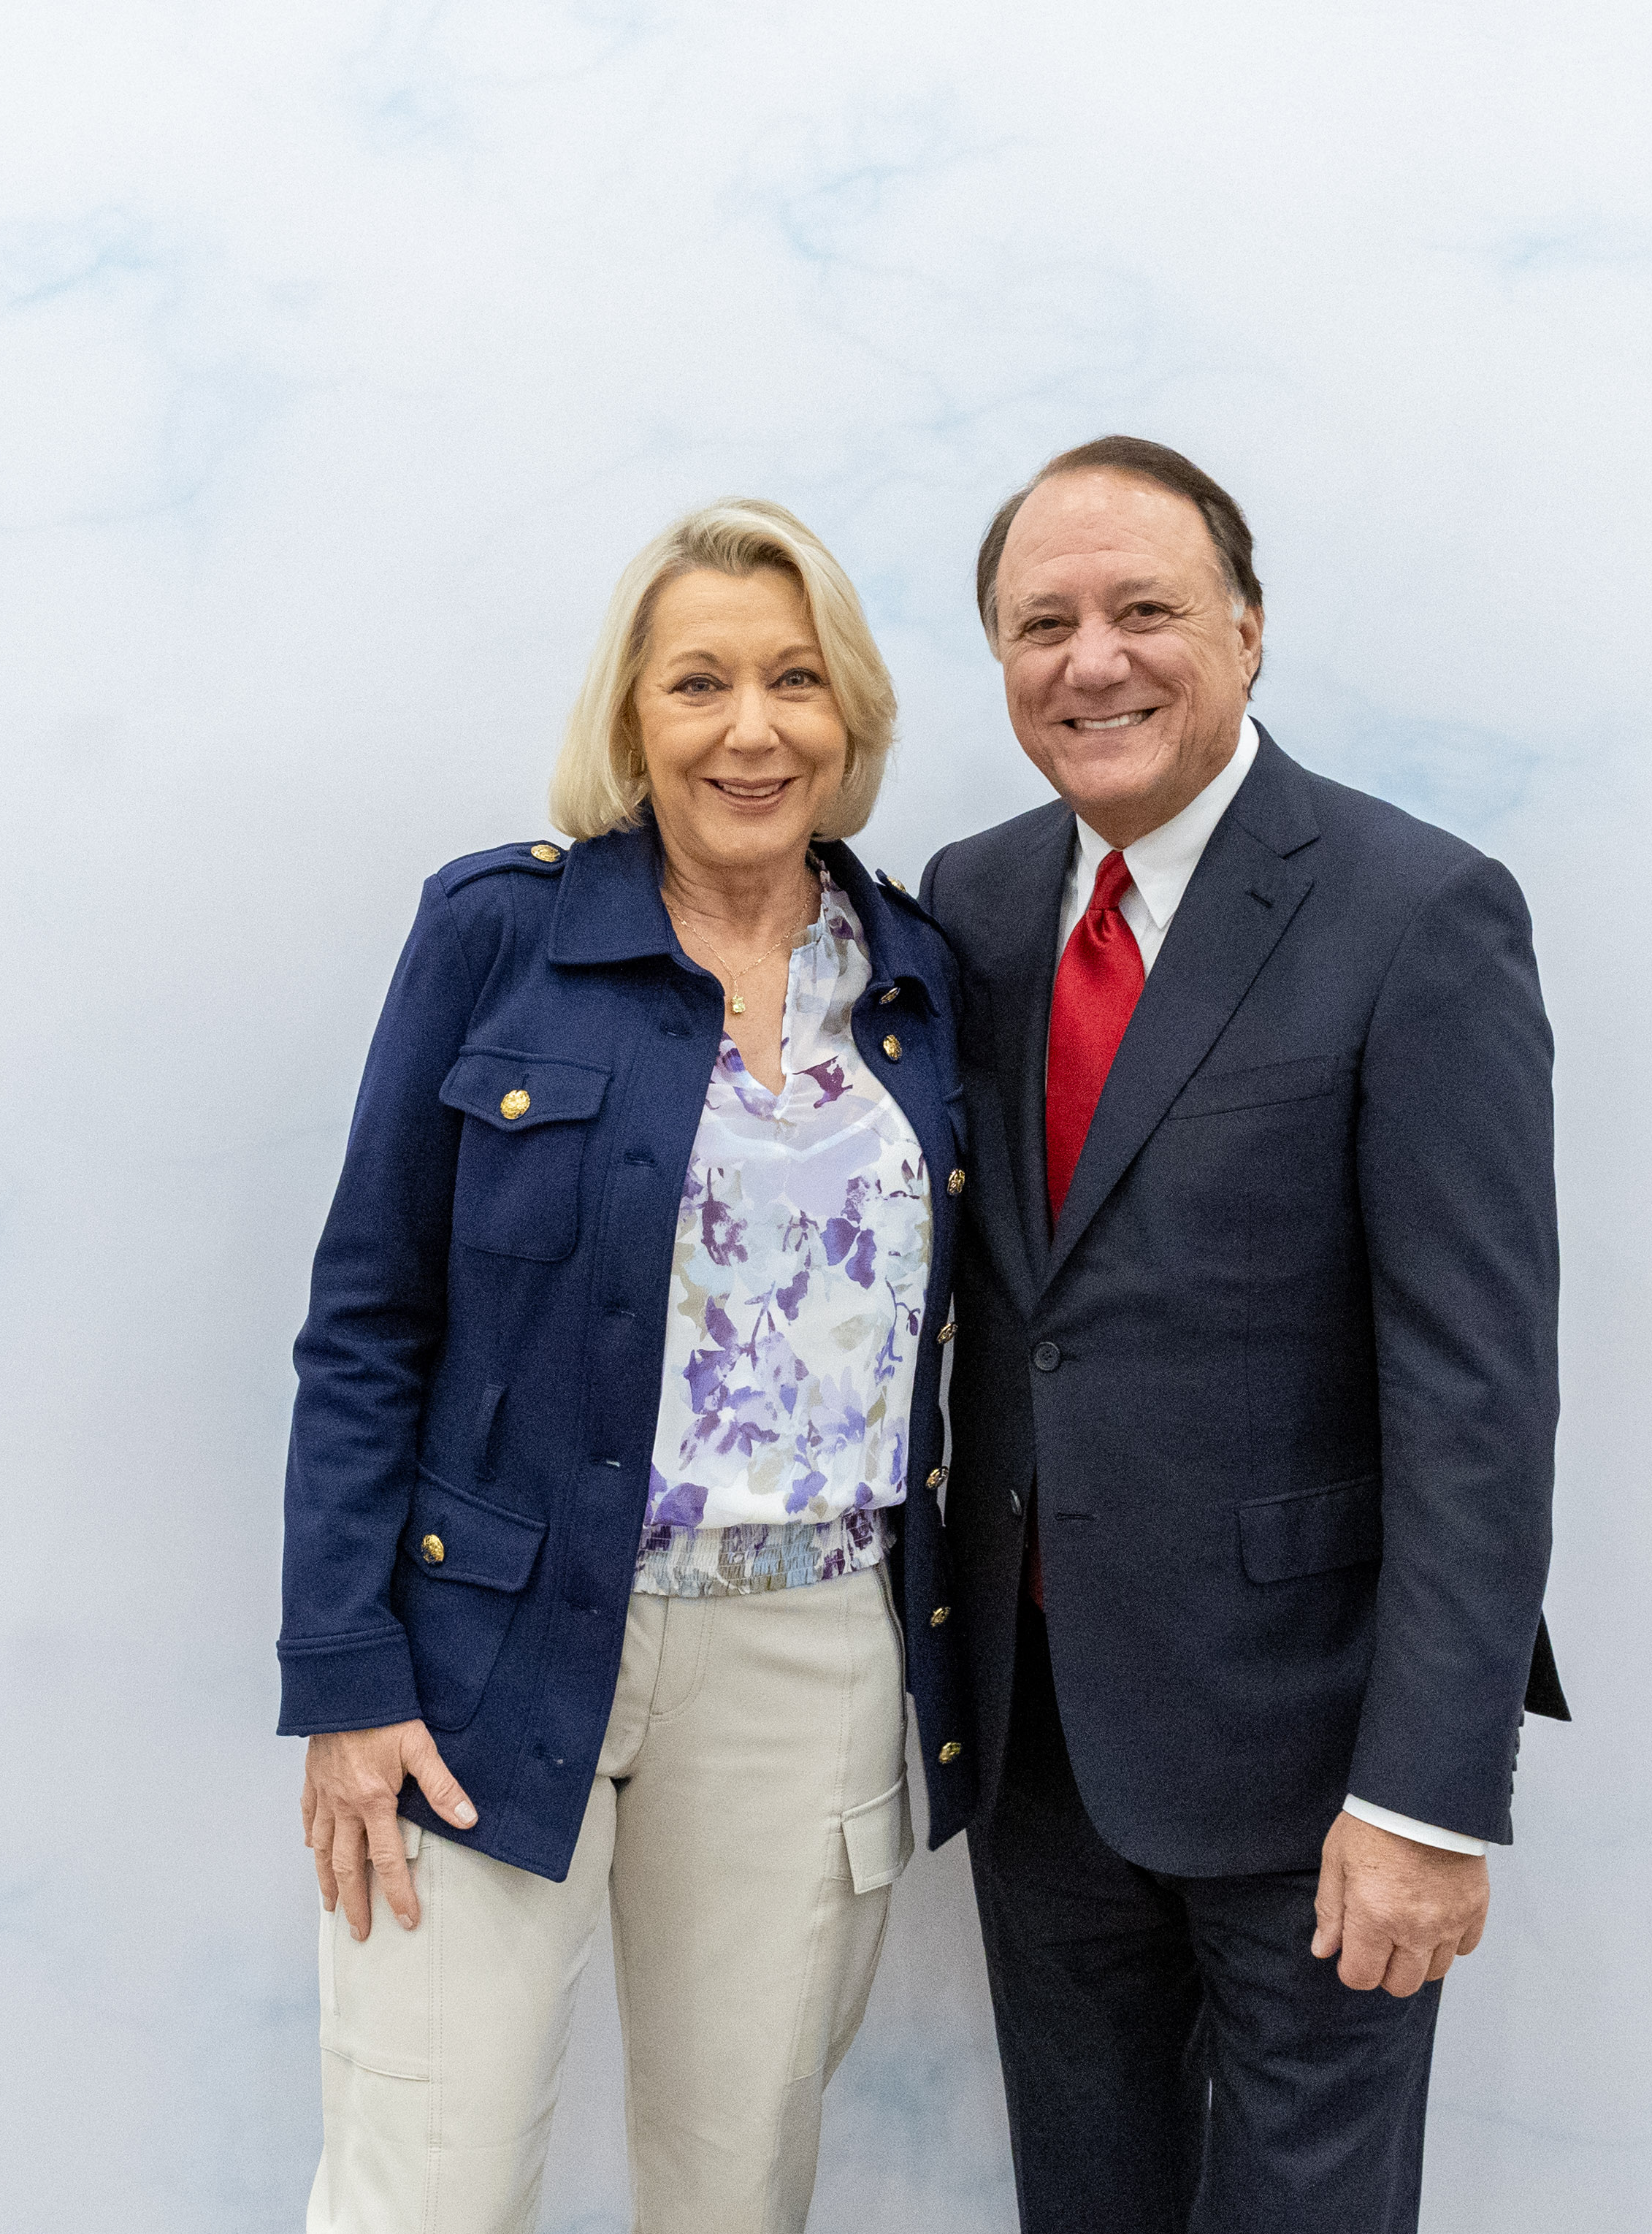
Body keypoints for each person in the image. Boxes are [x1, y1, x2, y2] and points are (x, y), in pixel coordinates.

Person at [277, 498, 977, 2234]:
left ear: (851, 715)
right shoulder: (497, 935)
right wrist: (348, 1675)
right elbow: (368, 1318)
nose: (753, 729)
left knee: (736, 2192)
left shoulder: (921, 979)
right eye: (700, 683)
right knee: (426, 2188)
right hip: (488, 1647)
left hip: (814, 1650)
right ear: (631, 718)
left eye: (796, 680)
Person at [918, 436, 1570, 2233]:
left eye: (1145, 609)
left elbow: (1478, 1393)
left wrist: (1427, 1801)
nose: (1093, 662)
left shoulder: (1418, 912)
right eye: (1042, 624)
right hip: (1041, 1746)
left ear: (1250, 630)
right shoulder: (969, 902)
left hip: (1314, 1765)